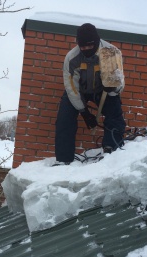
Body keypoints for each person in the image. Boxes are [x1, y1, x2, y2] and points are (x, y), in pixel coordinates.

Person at [53, 23, 126, 166]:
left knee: (115, 115)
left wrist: (113, 88)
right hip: (80, 91)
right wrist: (84, 112)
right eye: (82, 47)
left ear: (97, 42)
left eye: (89, 46)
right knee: (64, 119)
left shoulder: (111, 52)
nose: (86, 49)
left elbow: (120, 82)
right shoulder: (72, 58)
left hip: (103, 91)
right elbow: (71, 87)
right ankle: (63, 159)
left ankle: (111, 151)